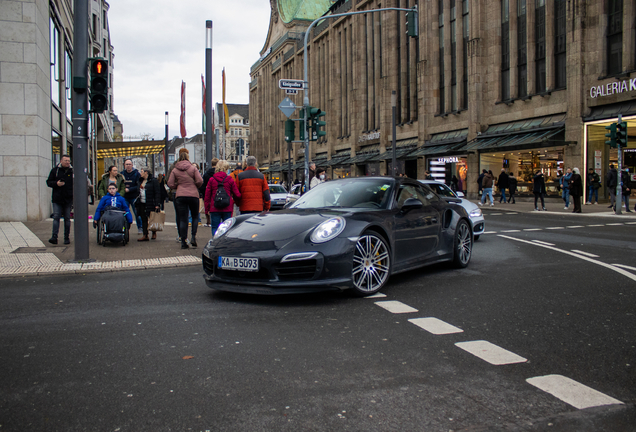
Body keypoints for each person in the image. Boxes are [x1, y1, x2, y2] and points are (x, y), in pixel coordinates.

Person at [168, 149, 204, 249]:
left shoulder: (175, 170)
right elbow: (200, 180)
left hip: (180, 195)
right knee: (195, 216)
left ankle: (183, 241)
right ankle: (193, 237)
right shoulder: (193, 168)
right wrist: (195, 185)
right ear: (188, 158)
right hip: (193, 195)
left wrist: (177, 186)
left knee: (183, 219)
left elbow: (169, 183)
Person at [204, 160, 241, 235]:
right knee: (227, 228)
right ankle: (224, 244)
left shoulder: (212, 180)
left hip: (215, 207)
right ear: (226, 169)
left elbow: (207, 196)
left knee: (215, 227)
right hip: (227, 207)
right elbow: (237, 194)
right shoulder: (230, 180)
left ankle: (215, 244)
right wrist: (235, 202)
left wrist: (206, 209)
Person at [46, 154, 73, 245]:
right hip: (57, 198)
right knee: (56, 217)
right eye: (65, 160)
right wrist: (56, 184)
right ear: (61, 161)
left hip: (68, 198)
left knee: (67, 218)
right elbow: (48, 182)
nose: (67, 162)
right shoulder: (55, 171)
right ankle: (54, 237)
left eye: (68, 161)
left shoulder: (72, 171)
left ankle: (66, 237)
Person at [135, 167, 162, 241]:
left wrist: (157, 204)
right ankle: (145, 234)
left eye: (142, 171)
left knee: (152, 218)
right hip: (141, 202)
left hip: (150, 202)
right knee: (143, 219)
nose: (140, 173)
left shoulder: (153, 181)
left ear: (146, 172)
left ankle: (154, 232)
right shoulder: (140, 181)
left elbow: (157, 192)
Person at [122, 158, 143, 234]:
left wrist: (129, 189)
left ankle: (140, 227)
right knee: (124, 213)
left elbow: (139, 185)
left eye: (129, 164)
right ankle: (125, 227)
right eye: (126, 164)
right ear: (124, 165)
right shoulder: (122, 174)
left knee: (137, 213)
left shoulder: (136, 174)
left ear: (132, 165)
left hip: (134, 197)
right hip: (125, 197)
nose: (128, 166)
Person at [200, 158, 219, 227]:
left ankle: (208, 221)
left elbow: (203, 184)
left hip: (207, 192)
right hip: (217, 192)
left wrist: (202, 193)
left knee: (207, 207)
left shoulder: (206, 174)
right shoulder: (218, 173)